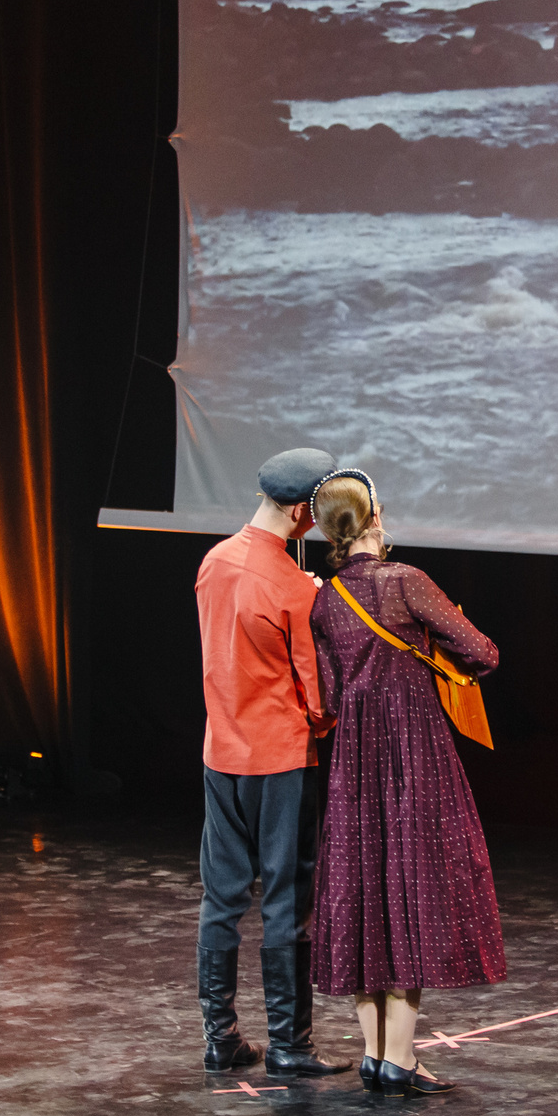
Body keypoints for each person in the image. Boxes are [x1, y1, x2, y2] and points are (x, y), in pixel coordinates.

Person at [305, 471, 506, 1096]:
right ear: (375, 518)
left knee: (364, 887)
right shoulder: (406, 580)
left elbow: (329, 695)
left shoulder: (324, 601)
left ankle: (374, 1054)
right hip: (413, 747)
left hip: (354, 756)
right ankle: (400, 1058)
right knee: (412, 884)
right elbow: (483, 653)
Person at [191, 447, 351, 1079]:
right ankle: (290, 1045)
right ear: (302, 512)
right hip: (280, 760)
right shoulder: (292, 587)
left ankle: (221, 1037)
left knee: (222, 897)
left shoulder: (214, 560)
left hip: (221, 752)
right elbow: (318, 698)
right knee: (286, 900)